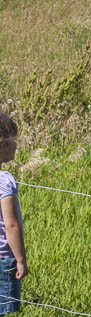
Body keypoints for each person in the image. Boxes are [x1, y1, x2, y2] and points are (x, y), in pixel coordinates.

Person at [0, 112, 26, 315]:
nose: (16, 145)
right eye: (13, 140)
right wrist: (20, 260)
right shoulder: (5, 181)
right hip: (4, 260)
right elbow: (11, 225)